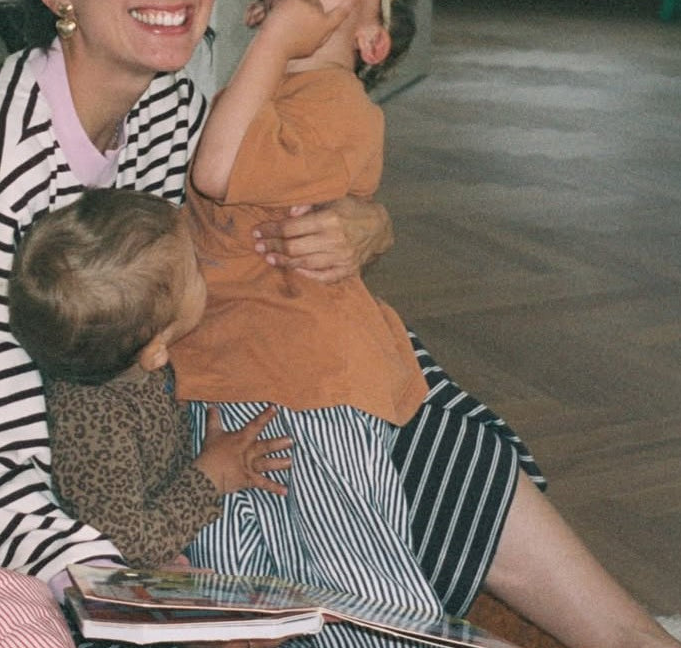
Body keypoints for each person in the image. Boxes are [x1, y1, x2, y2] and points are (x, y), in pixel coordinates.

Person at [0, 0, 681, 646]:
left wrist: (362, 222)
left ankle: (630, 637)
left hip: (167, 441)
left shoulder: (171, 99)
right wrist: (180, 596)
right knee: (318, 581)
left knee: (376, 391)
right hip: (33, 528)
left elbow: (249, 255)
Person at [169, 0, 446, 634]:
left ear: (371, 43)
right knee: (235, 590)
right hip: (228, 382)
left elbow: (217, 172)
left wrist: (278, 39)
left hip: (310, 390)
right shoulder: (266, 94)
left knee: (361, 592)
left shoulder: (339, 104)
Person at [7, 187, 292, 569]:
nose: (203, 264)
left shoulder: (119, 356)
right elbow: (128, 543)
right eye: (194, 271)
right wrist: (209, 476)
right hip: (149, 560)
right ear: (156, 349)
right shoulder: (95, 428)